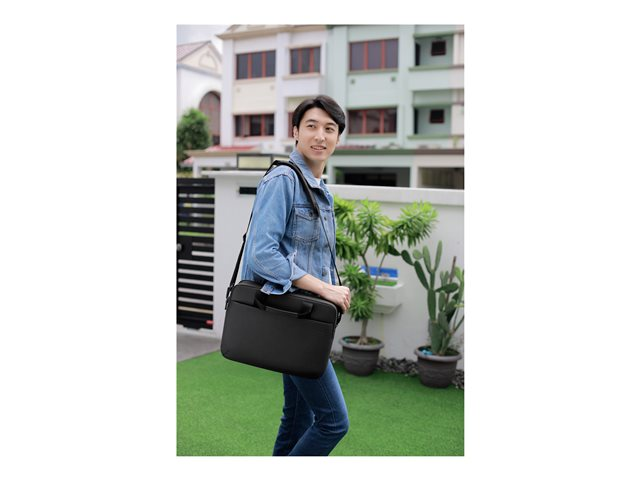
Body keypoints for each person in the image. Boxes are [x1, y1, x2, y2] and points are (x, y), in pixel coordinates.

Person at [240, 95, 351, 456]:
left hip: (305, 319)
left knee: (298, 419)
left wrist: (330, 287)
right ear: (296, 132)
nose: (320, 136)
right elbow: (261, 254)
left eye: (329, 129)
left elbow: (310, 255)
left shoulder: (319, 189)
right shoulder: (283, 179)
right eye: (312, 126)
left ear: (338, 138)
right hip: (292, 321)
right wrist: (324, 289)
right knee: (334, 422)